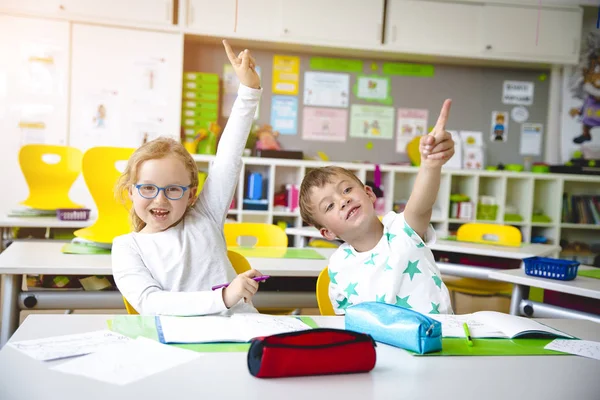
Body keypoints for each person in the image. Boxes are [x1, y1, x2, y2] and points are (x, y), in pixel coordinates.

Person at [112, 40, 263, 315]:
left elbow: (227, 157)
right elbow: (150, 303)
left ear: (191, 194)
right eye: (147, 188)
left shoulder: (204, 216)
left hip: (242, 333)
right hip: (180, 343)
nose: (160, 199)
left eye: (173, 190)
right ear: (130, 191)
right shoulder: (127, 247)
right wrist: (224, 297)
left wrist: (249, 91)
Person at [299, 101, 455, 315]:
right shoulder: (338, 266)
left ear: (369, 193)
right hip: (379, 347)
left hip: (438, 340)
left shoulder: (402, 230)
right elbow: (347, 321)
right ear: (328, 232)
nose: (343, 201)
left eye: (346, 190)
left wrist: (430, 165)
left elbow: (420, 205)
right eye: (330, 205)